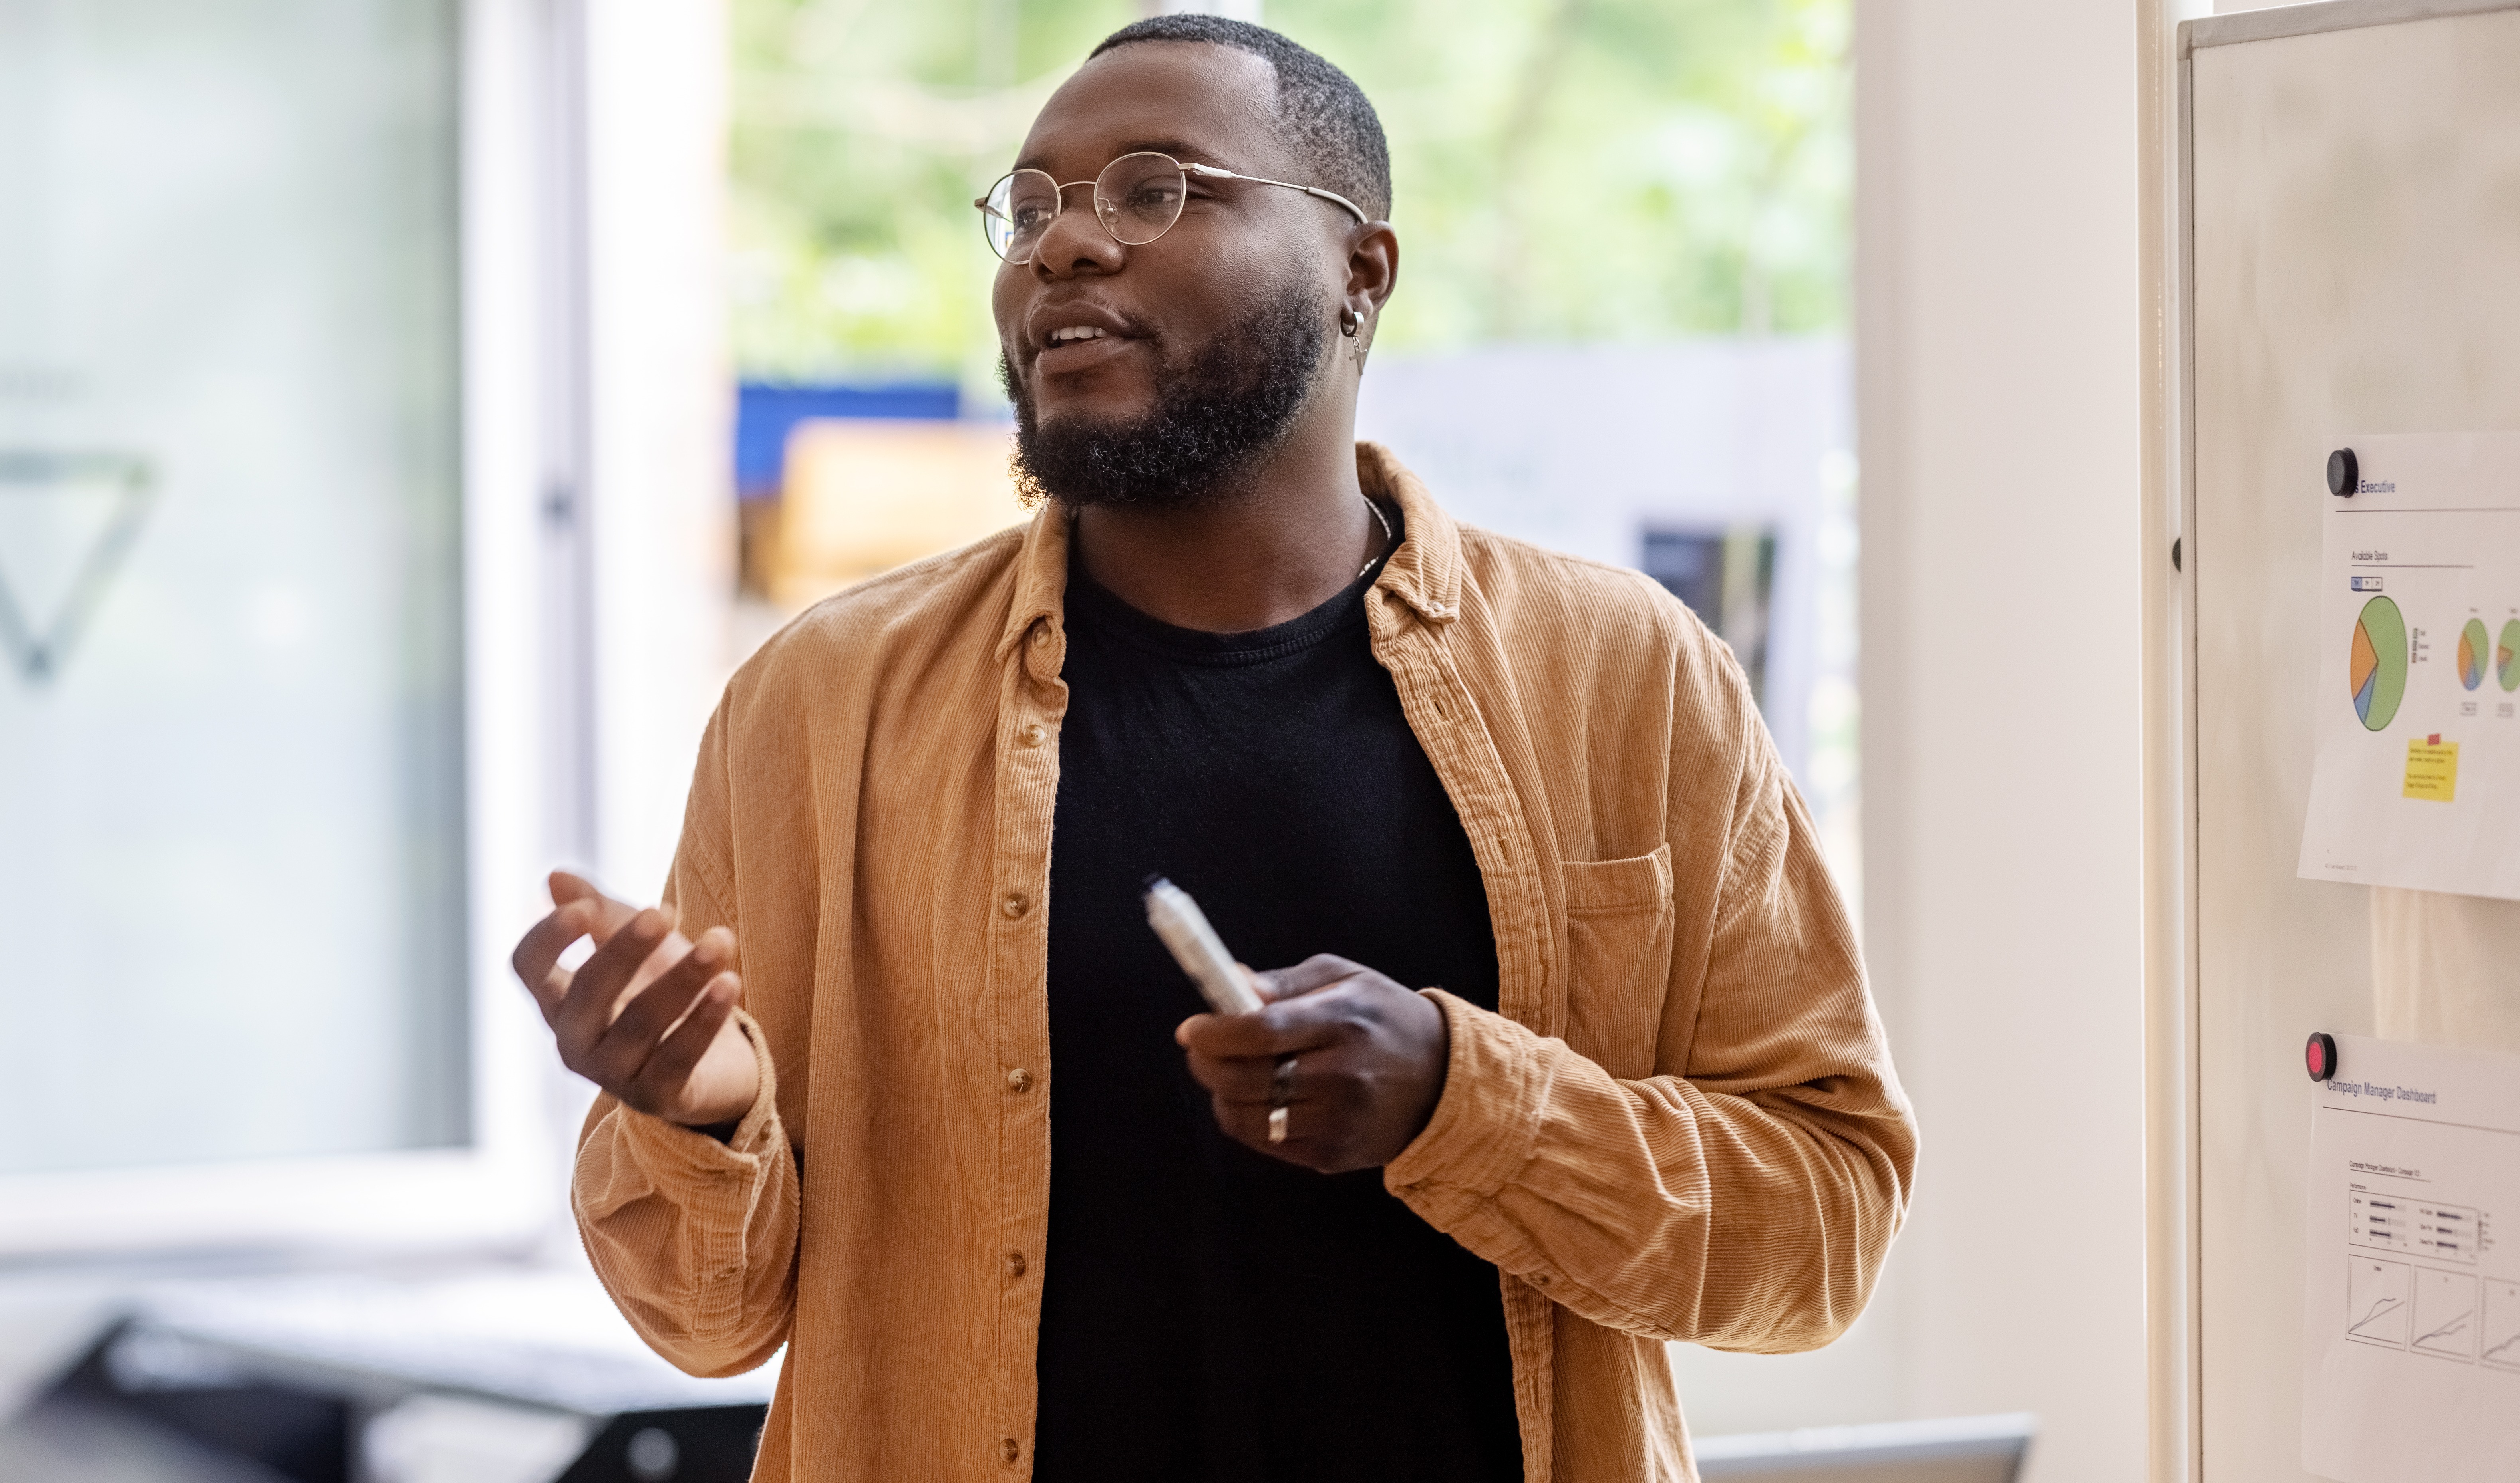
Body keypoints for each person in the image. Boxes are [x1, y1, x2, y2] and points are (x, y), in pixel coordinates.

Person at [519, 16, 1916, 1482]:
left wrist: (1464, 1096)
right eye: (1033, 206)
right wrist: (700, 1111)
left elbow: (1824, 1229)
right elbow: (701, 1322)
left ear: (1360, 276)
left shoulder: (1626, 676)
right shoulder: (822, 703)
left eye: (1153, 186)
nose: (1064, 246)